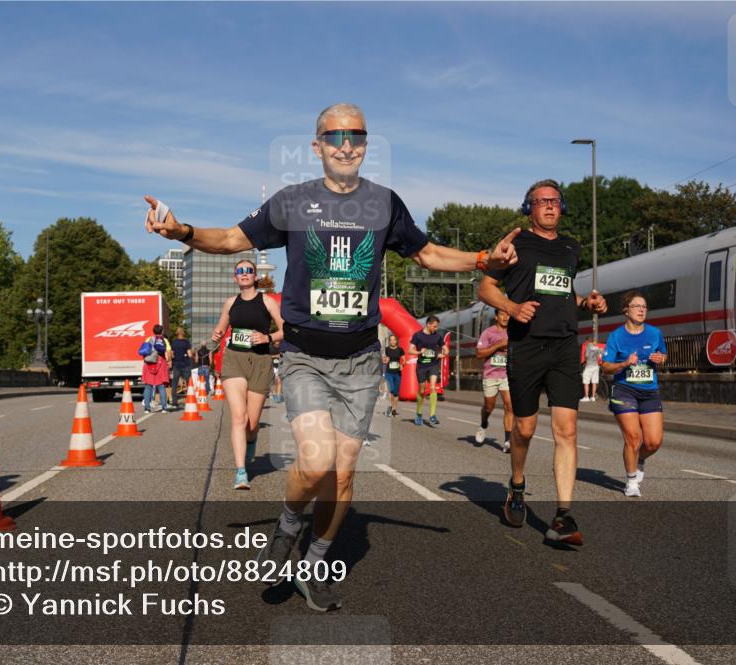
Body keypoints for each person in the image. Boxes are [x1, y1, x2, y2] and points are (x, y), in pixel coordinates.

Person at [145, 102, 517, 611]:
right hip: (305, 357)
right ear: (317, 146)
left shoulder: (385, 204)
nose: (346, 144)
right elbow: (232, 239)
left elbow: (428, 253)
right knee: (316, 463)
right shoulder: (293, 202)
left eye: (356, 135)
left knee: (342, 475)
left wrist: (480, 259)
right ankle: (287, 525)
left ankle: (313, 563)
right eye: (335, 135)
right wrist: (183, 232)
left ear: (365, 145)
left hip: (362, 362)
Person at [478, 179, 607, 546]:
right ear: (529, 208)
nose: (549, 206)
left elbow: (563, 288)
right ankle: (517, 484)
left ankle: (563, 516)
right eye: (541, 201)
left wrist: (586, 303)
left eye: (554, 201)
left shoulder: (571, 247)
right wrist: (512, 307)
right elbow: (485, 288)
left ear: (561, 207)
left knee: (567, 431)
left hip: (566, 346)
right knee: (525, 429)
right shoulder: (515, 244)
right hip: (528, 346)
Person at [211, 259, 285, 489]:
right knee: (239, 417)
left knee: (252, 423)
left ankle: (251, 438)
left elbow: (286, 329)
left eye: (248, 271)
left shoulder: (268, 301)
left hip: (261, 362)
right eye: (239, 271)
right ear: (235, 278)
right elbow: (221, 328)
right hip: (234, 359)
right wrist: (216, 334)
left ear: (255, 276)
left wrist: (268, 338)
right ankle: (241, 471)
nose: (244, 274)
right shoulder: (230, 303)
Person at [600, 291, 667, 497]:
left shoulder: (655, 333)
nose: (641, 310)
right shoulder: (617, 336)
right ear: (626, 310)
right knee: (633, 437)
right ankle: (631, 481)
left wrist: (660, 358)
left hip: (649, 391)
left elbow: (663, 354)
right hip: (624, 390)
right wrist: (624, 363)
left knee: (653, 442)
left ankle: (639, 460)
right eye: (637, 306)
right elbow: (606, 367)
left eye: (644, 307)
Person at [474, 308, 513, 452]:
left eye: (508, 314)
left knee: (510, 406)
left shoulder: (514, 331)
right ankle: (484, 424)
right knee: (488, 407)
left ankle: (508, 441)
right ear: (496, 317)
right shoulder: (488, 333)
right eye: (502, 314)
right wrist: (498, 345)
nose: (506, 317)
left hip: (507, 375)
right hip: (491, 375)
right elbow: (479, 354)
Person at [409, 316, 447, 426]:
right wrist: (420, 352)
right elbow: (410, 350)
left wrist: (444, 353)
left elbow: (446, 349)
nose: (436, 328)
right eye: (434, 326)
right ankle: (419, 413)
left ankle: (432, 415)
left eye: (437, 326)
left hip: (433, 365)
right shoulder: (418, 335)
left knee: (432, 387)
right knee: (421, 391)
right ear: (428, 324)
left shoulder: (437, 336)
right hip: (421, 367)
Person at [141, 324, 170, 413]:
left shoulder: (148, 339)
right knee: (161, 386)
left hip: (149, 363)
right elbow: (168, 354)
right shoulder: (164, 340)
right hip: (161, 363)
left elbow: (144, 351)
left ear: (153, 331)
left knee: (148, 386)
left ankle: (147, 408)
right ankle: (164, 407)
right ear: (161, 331)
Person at [169, 327, 193, 410]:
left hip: (176, 365)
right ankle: (191, 400)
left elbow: (171, 355)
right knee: (189, 383)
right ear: (183, 333)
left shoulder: (174, 342)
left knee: (174, 384)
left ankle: (174, 402)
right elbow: (189, 354)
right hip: (185, 365)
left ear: (176, 333)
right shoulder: (186, 342)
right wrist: (192, 352)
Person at [381, 334, 404, 417]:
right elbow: (384, 360)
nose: (392, 341)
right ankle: (390, 406)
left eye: (394, 340)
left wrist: (402, 365)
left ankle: (394, 409)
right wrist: (385, 360)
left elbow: (404, 360)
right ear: (389, 341)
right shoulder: (387, 349)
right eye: (391, 340)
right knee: (391, 389)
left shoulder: (400, 350)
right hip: (389, 372)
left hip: (397, 373)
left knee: (396, 392)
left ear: (396, 341)